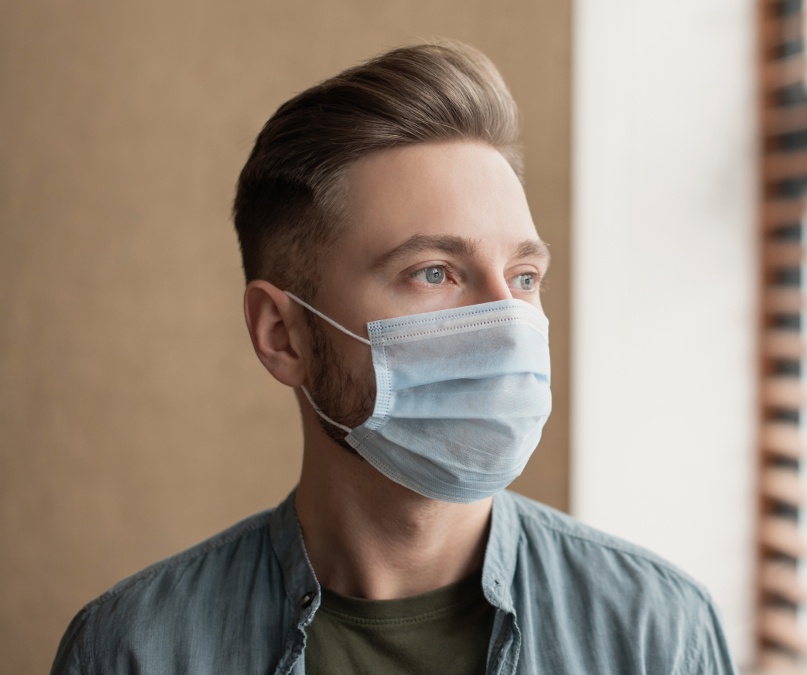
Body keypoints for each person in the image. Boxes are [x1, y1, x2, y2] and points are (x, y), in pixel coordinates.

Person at [50, 42, 737, 675]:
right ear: (282, 334)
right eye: (435, 272)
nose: (508, 326)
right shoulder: (135, 648)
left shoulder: (657, 634)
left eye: (523, 277)